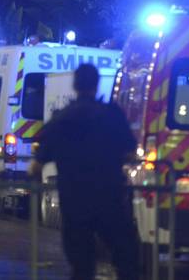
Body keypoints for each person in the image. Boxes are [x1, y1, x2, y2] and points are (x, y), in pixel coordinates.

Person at [29, 64, 139, 280]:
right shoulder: (111, 115)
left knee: (81, 266)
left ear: (75, 85)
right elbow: (130, 151)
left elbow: (36, 165)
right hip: (109, 198)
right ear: (97, 85)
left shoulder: (62, 119)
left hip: (74, 202)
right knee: (126, 258)